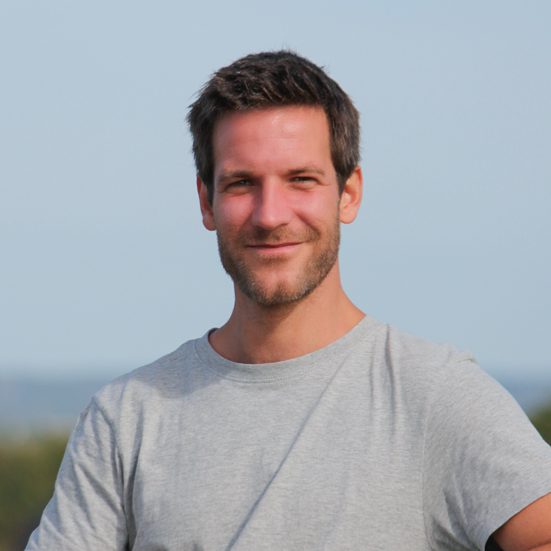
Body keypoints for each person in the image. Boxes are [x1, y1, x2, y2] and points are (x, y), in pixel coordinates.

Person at [27, 51, 551, 551]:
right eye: (242, 184)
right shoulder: (125, 418)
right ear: (206, 201)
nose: (270, 214)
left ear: (348, 193)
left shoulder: (435, 396)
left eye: (301, 180)